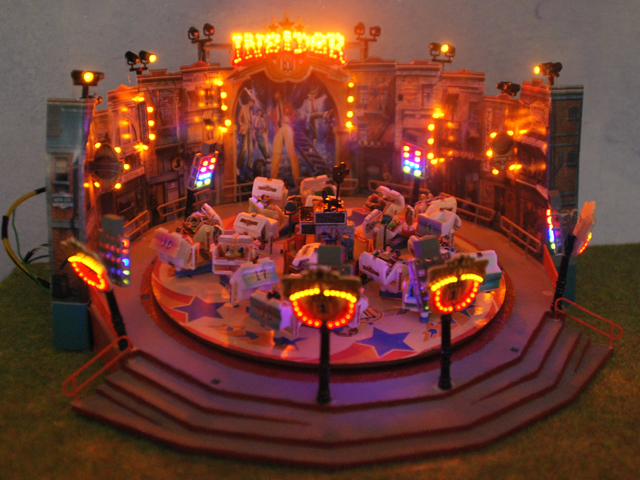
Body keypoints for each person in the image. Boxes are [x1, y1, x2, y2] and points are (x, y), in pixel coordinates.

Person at [269, 92, 299, 183]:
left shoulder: (287, 105)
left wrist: (288, 118)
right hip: (278, 129)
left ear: (281, 97)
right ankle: (273, 178)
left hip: (286, 126)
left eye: (278, 96)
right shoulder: (274, 109)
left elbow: (294, 114)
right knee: (276, 153)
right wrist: (269, 115)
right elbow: (275, 121)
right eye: (276, 97)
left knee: (291, 152)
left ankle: (297, 178)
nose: (277, 98)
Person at [236, 98, 255, 182]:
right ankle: (239, 164)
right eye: (251, 102)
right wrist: (242, 125)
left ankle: (249, 164)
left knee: (250, 148)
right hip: (245, 129)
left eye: (253, 103)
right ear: (249, 101)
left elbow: (251, 121)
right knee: (244, 148)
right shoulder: (243, 107)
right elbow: (239, 117)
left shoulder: (251, 111)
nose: (252, 104)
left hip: (250, 129)